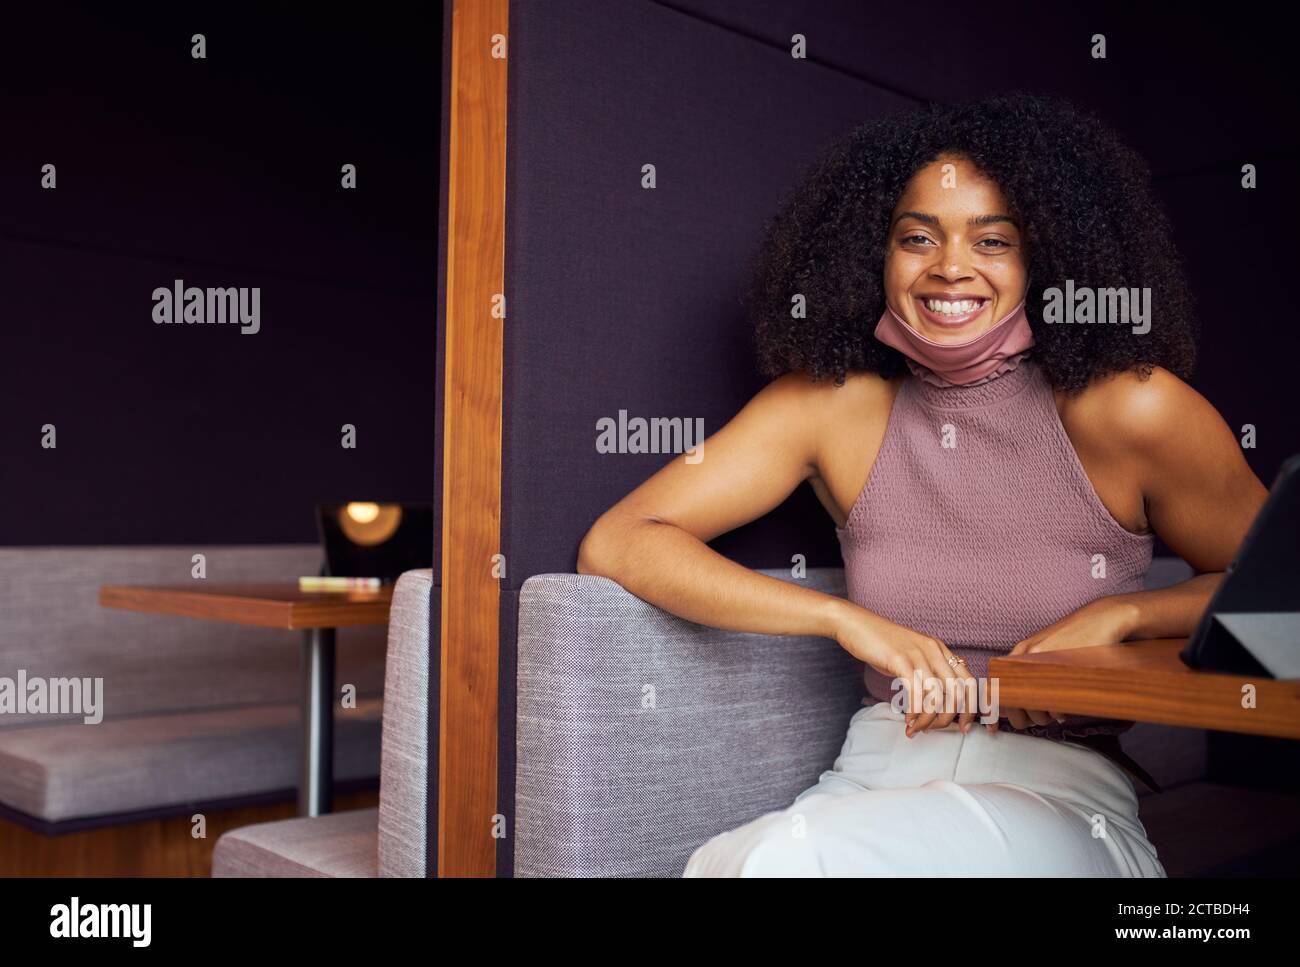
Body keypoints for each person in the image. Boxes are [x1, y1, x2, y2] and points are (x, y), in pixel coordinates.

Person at [576, 93, 1266, 876]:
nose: (949, 267)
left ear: (1048, 257)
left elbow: (1279, 596)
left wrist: (1126, 613)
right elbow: (620, 542)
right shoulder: (831, 407)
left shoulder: (1134, 407)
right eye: (917, 237)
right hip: (872, 775)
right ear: (876, 253)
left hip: (1061, 798)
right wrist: (843, 619)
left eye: (994, 240)